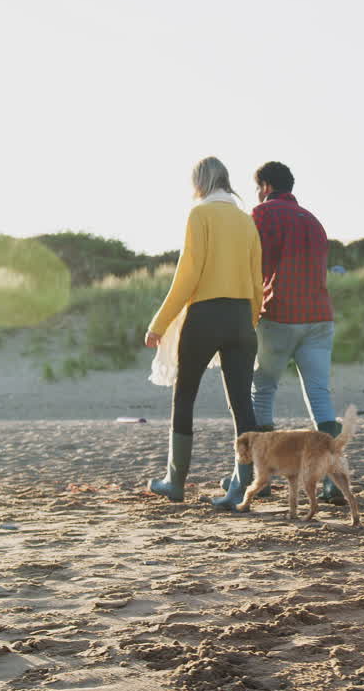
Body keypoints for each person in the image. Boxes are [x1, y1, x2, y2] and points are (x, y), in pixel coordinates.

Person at [218, 161, 344, 506]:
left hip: (280, 315)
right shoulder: (312, 220)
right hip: (320, 315)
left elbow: (254, 266)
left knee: (263, 390)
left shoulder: (262, 214)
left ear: (266, 186)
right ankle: (333, 480)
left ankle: (263, 478)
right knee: (319, 394)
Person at [145, 157, 263, 508]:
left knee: (185, 396)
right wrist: (249, 321)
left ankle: (175, 482)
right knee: (242, 404)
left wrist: (158, 324)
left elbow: (188, 275)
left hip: (205, 317)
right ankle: (240, 489)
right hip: (241, 318)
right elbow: (256, 280)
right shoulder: (246, 220)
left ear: (199, 183)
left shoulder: (200, 215)